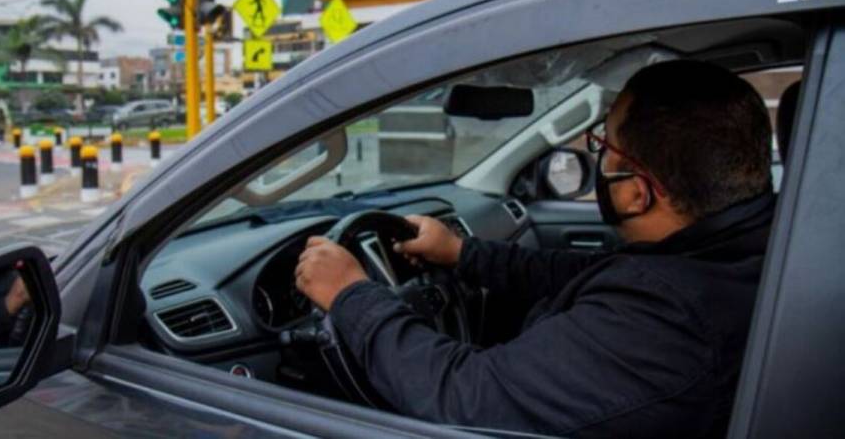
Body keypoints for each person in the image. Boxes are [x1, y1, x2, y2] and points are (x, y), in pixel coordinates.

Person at [296, 60, 775, 438]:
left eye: (604, 145)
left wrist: (350, 295)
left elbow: (462, 400)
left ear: (635, 191)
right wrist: (462, 254)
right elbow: (586, 272)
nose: (598, 152)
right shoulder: (744, 249)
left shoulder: (669, 319)